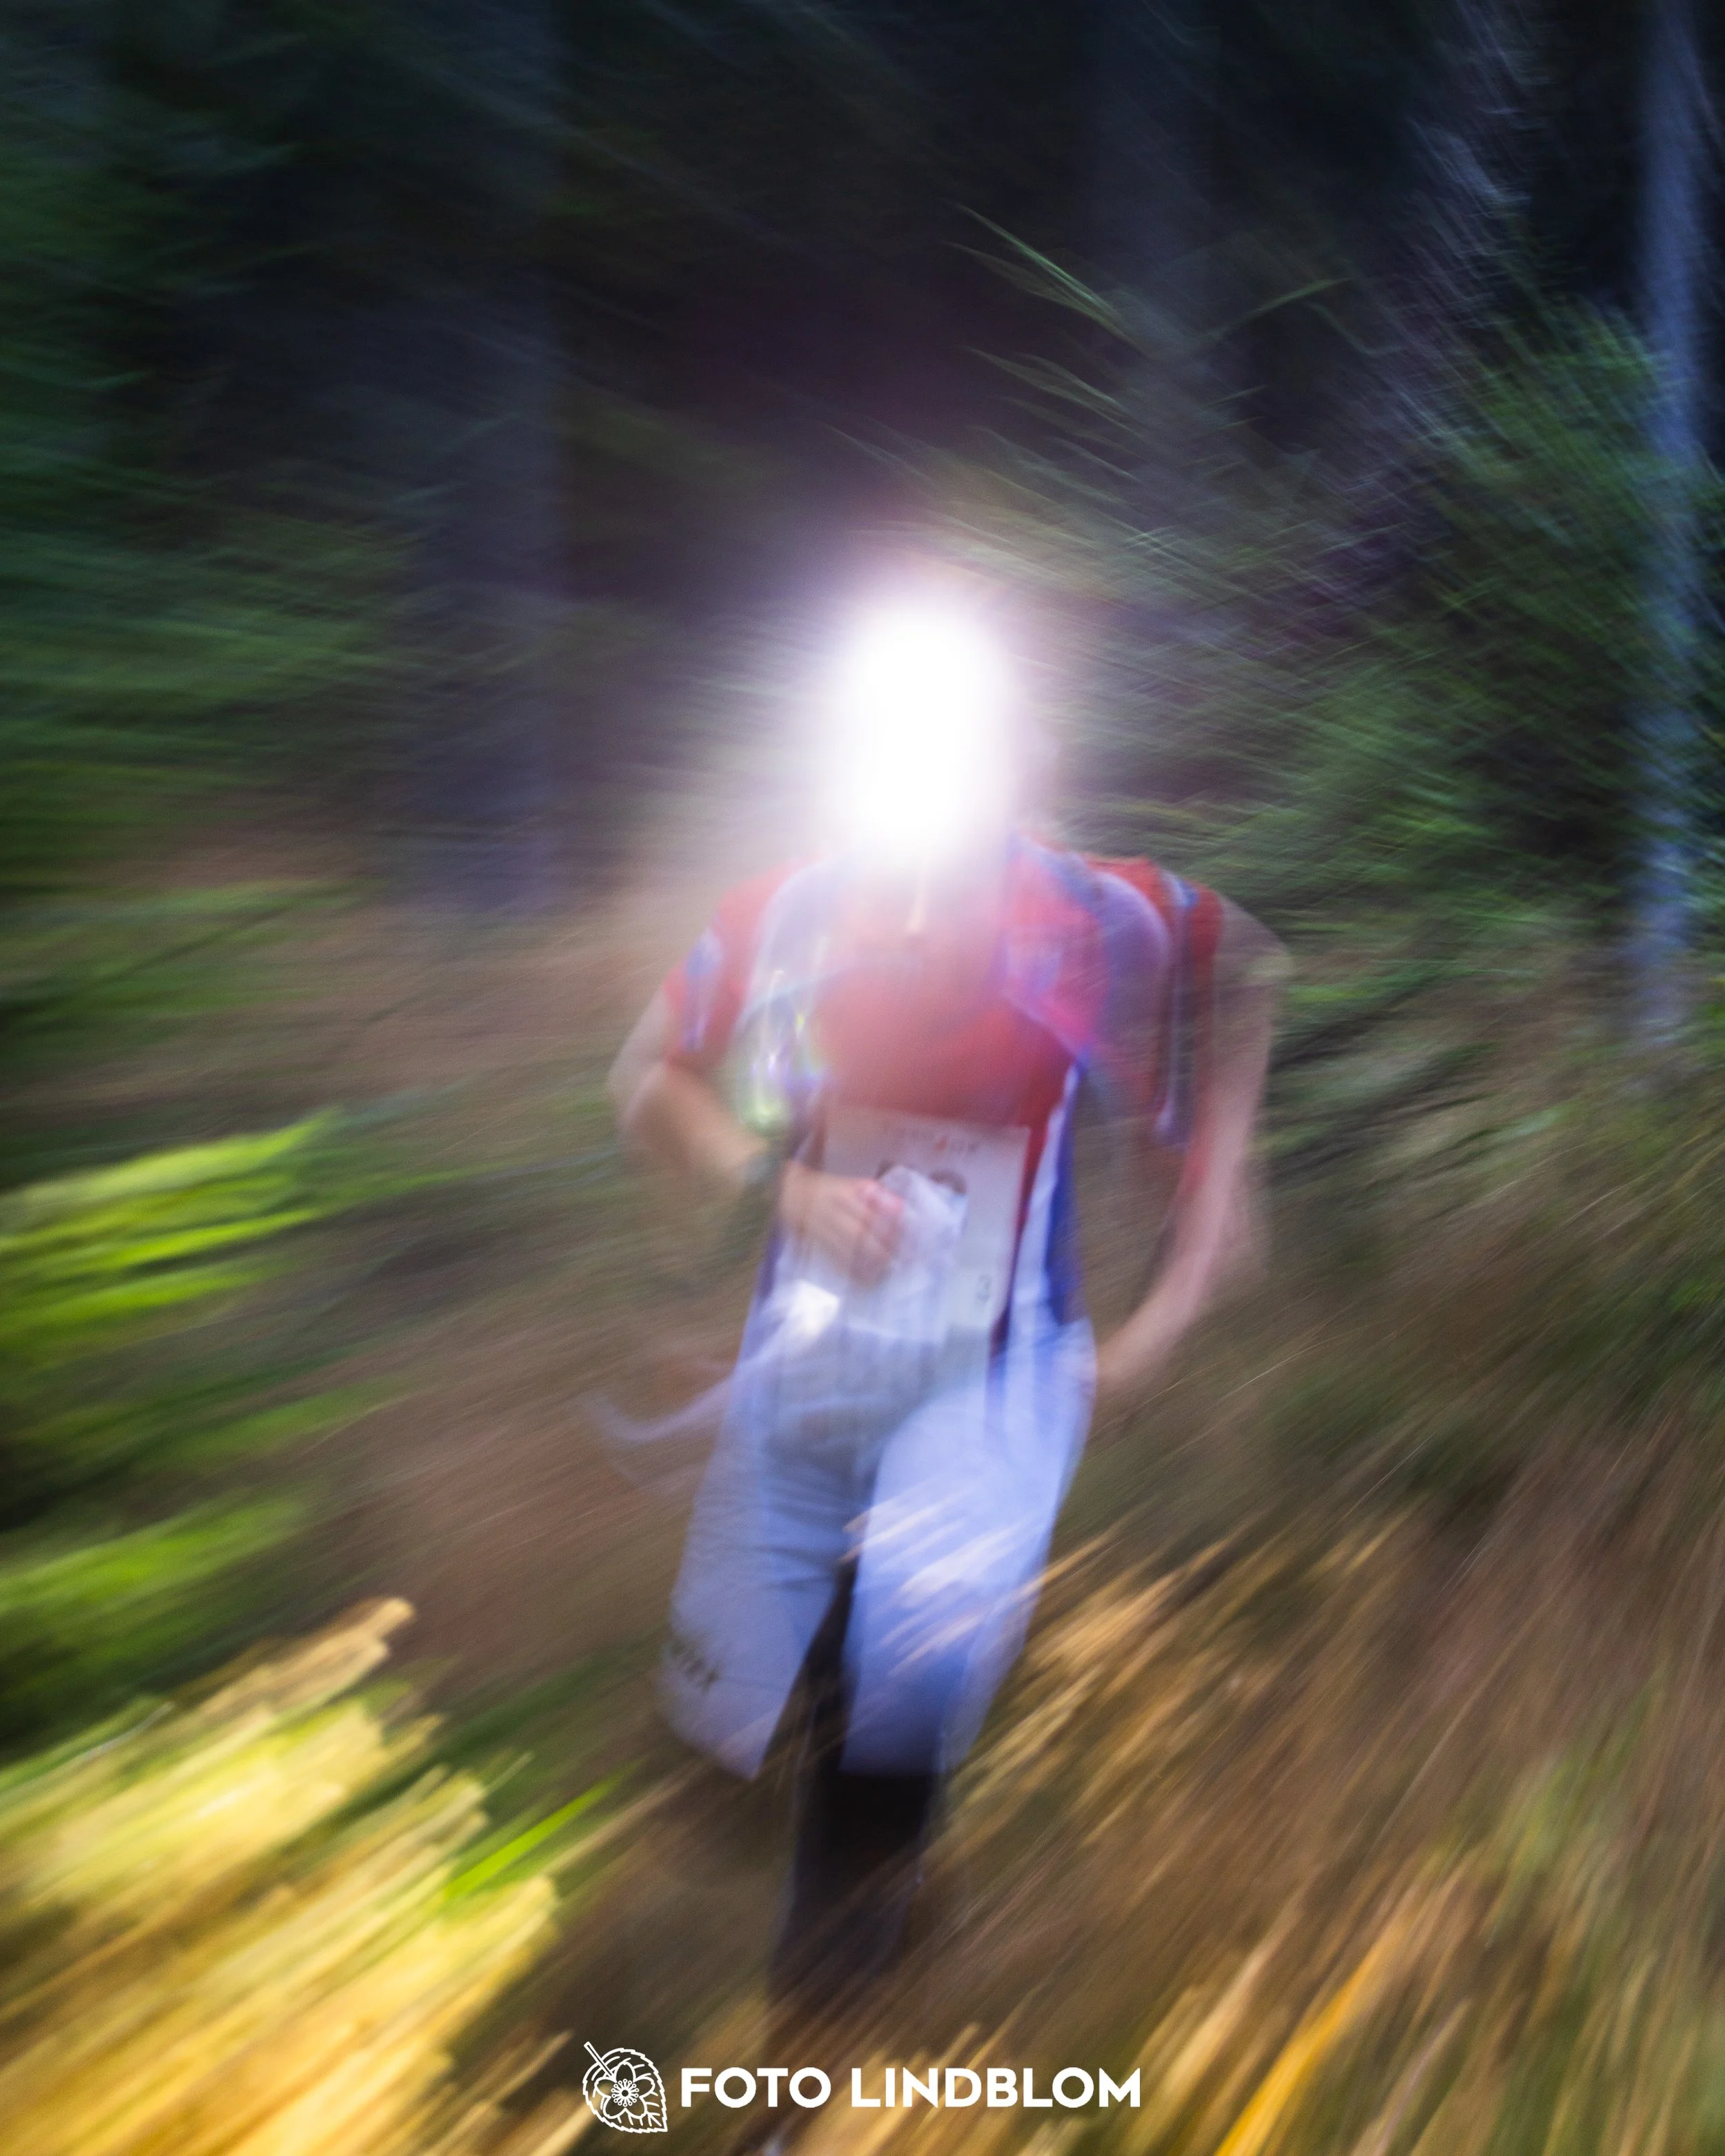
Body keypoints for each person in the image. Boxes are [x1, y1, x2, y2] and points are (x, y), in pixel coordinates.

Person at [607, 586, 1284, 2057]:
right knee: (714, 1732)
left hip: (1000, 1367)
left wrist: (1185, 1269)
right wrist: (775, 1187)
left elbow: (1247, 972)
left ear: (1019, 775)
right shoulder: (792, 907)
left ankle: (804, 2071)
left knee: (899, 1672)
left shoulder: (1092, 914)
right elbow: (643, 1074)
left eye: (967, 767)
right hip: (807, 1355)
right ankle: (872, 1850)